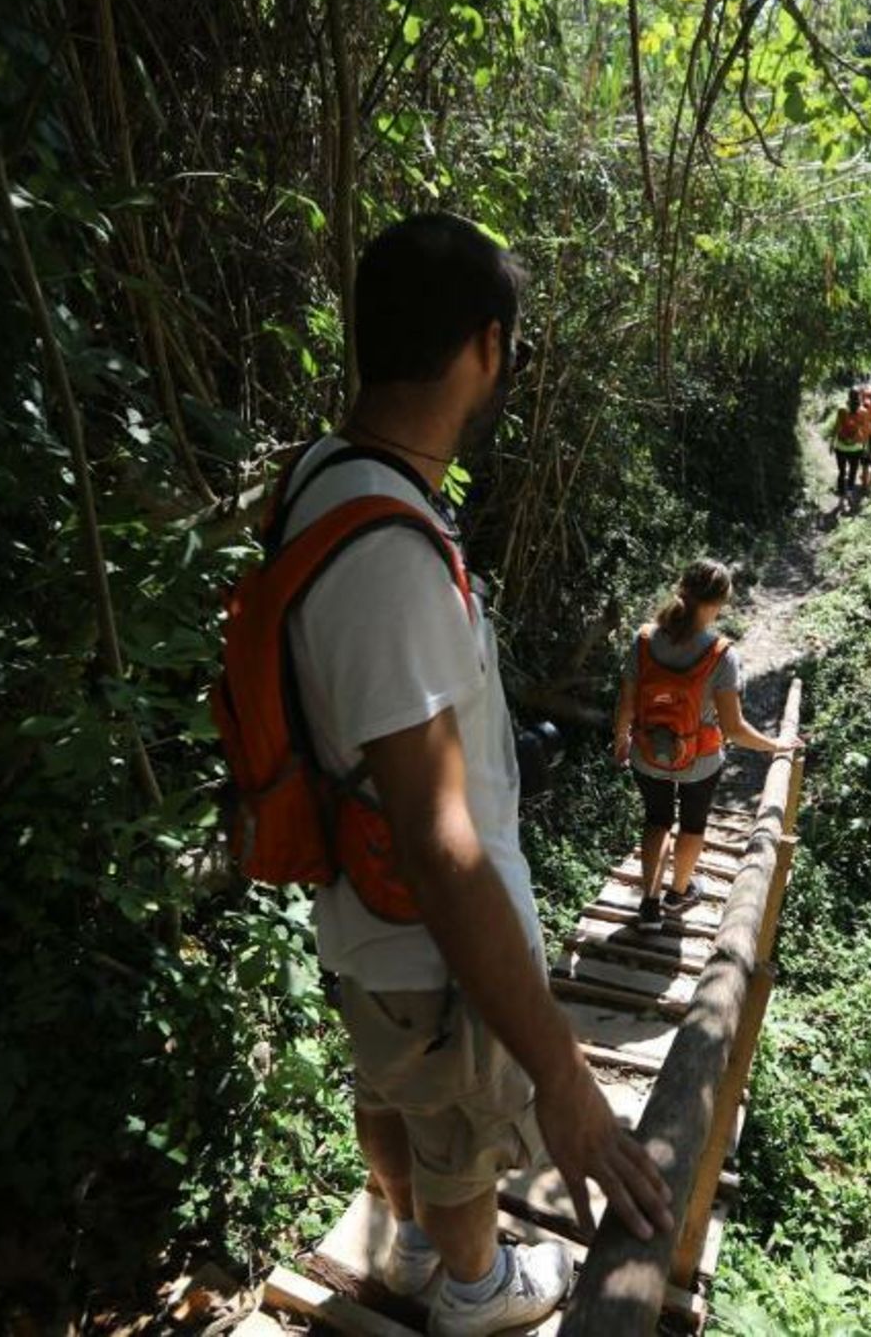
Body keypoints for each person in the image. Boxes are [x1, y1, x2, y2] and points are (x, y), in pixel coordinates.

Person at [279, 213, 670, 1334]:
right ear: (484, 348)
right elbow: (443, 852)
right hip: (426, 934)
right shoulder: (390, 554)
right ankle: (469, 1286)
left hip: (358, 914)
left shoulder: (325, 477)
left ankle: (403, 1247)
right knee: (457, 1113)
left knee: (388, 1087)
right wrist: (559, 1070)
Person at [611, 560, 801, 932]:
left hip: (647, 752)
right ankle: (677, 893)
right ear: (719, 602)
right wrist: (774, 744)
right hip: (699, 759)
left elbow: (627, 702)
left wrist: (622, 739)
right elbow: (734, 727)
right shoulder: (721, 654)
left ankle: (649, 908)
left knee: (657, 819)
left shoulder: (646, 639)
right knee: (692, 824)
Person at [828, 387, 869, 492]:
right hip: (856, 448)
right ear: (859, 397)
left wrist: (832, 443)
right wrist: (865, 447)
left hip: (841, 446)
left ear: (848, 396)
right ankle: (850, 490)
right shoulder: (864, 412)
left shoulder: (842, 409)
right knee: (853, 471)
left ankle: (841, 490)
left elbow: (836, 427)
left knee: (842, 471)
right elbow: (865, 431)